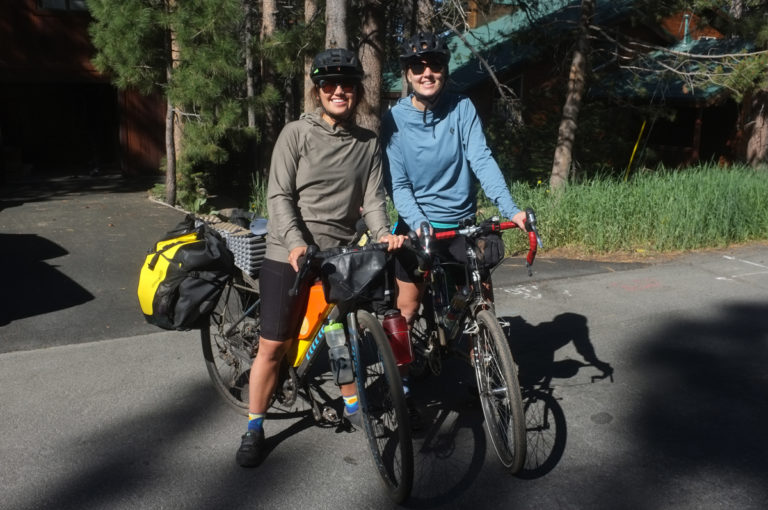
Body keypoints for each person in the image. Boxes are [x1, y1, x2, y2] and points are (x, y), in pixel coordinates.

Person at [236, 48, 405, 468]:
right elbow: (279, 195)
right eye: (329, 84)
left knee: (338, 333)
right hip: (288, 254)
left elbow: (373, 199)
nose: (339, 91)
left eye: (347, 84)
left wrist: (383, 234)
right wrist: (294, 242)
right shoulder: (296, 133)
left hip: (338, 254)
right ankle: (254, 426)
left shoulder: (367, 144)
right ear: (318, 90)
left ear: (356, 92)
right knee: (274, 346)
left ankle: (352, 403)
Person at [381, 32, 528, 411]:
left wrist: (511, 209)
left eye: (435, 65)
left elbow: (481, 158)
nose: (427, 72)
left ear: (444, 69)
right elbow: (397, 183)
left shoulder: (461, 107)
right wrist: (416, 221)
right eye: (418, 66)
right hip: (418, 226)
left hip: (461, 224)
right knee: (409, 309)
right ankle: (401, 387)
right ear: (408, 75)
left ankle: (486, 366)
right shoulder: (394, 120)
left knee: (480, 300)